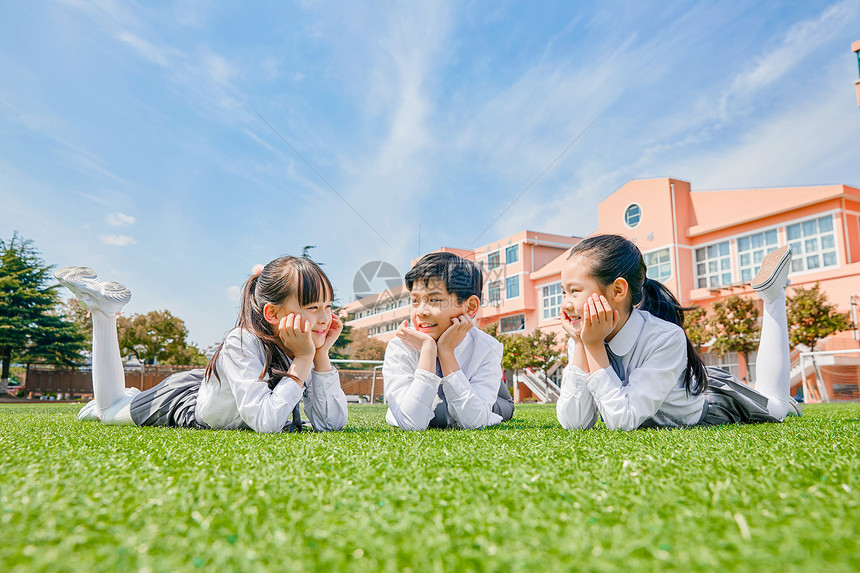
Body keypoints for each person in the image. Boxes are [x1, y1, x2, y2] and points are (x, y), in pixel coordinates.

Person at [55, 256, 348, 433]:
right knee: (107, 412)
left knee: (121, 403)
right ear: (272, 313)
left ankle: (130, 396)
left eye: (328, 306)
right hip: (184, 402)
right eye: (312, 307)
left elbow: (331, 424)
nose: (325, 318)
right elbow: (265, 422)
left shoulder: (303, 347)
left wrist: (320, 357)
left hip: (216, 386)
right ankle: (103, 312)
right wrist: (304, 357)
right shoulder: (242, 342)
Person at [555, 234, 801, 431]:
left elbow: (623, 420)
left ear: (618, 290)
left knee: (777, 408)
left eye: (575, 291)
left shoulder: (666, 337)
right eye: (563, 292)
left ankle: (773, 296)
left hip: (711, 402)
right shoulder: (584, 337)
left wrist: (594, 347)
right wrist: (581, 345)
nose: (566, 304)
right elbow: (574, 423)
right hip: (676, 380)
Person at [383, 252, 514, 430]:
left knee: (502, 409)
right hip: (450, 391)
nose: (421, 312)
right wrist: (429, 349)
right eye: (415, 301)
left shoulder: (487, 347)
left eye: (434, 300)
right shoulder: (399, 346)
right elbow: (411, 422)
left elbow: (474, 422)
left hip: (489, 393)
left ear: (470, 307)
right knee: (440, 412)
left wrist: (446, 352)